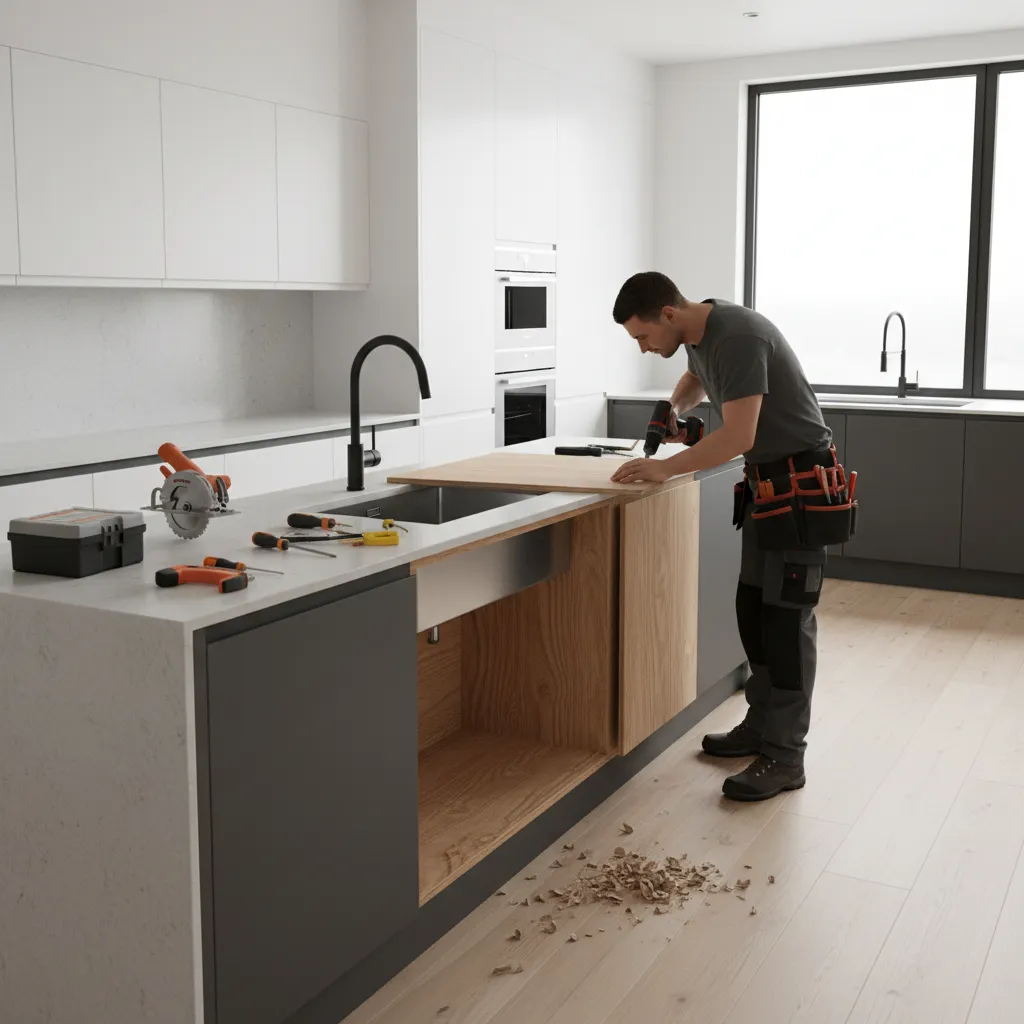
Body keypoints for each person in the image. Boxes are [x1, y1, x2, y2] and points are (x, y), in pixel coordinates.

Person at [610, 271, 834, 801]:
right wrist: (672, 408)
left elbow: (739, 435)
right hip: (767, 487)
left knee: (785, 622)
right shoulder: (699, 330)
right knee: (754, 610)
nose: (644, 349)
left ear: (668, 313)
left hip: (800, 487)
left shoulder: (736, 335)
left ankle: (785, 757)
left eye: (643, 337)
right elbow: (697, 373)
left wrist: (666, 469)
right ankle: (761, 727)